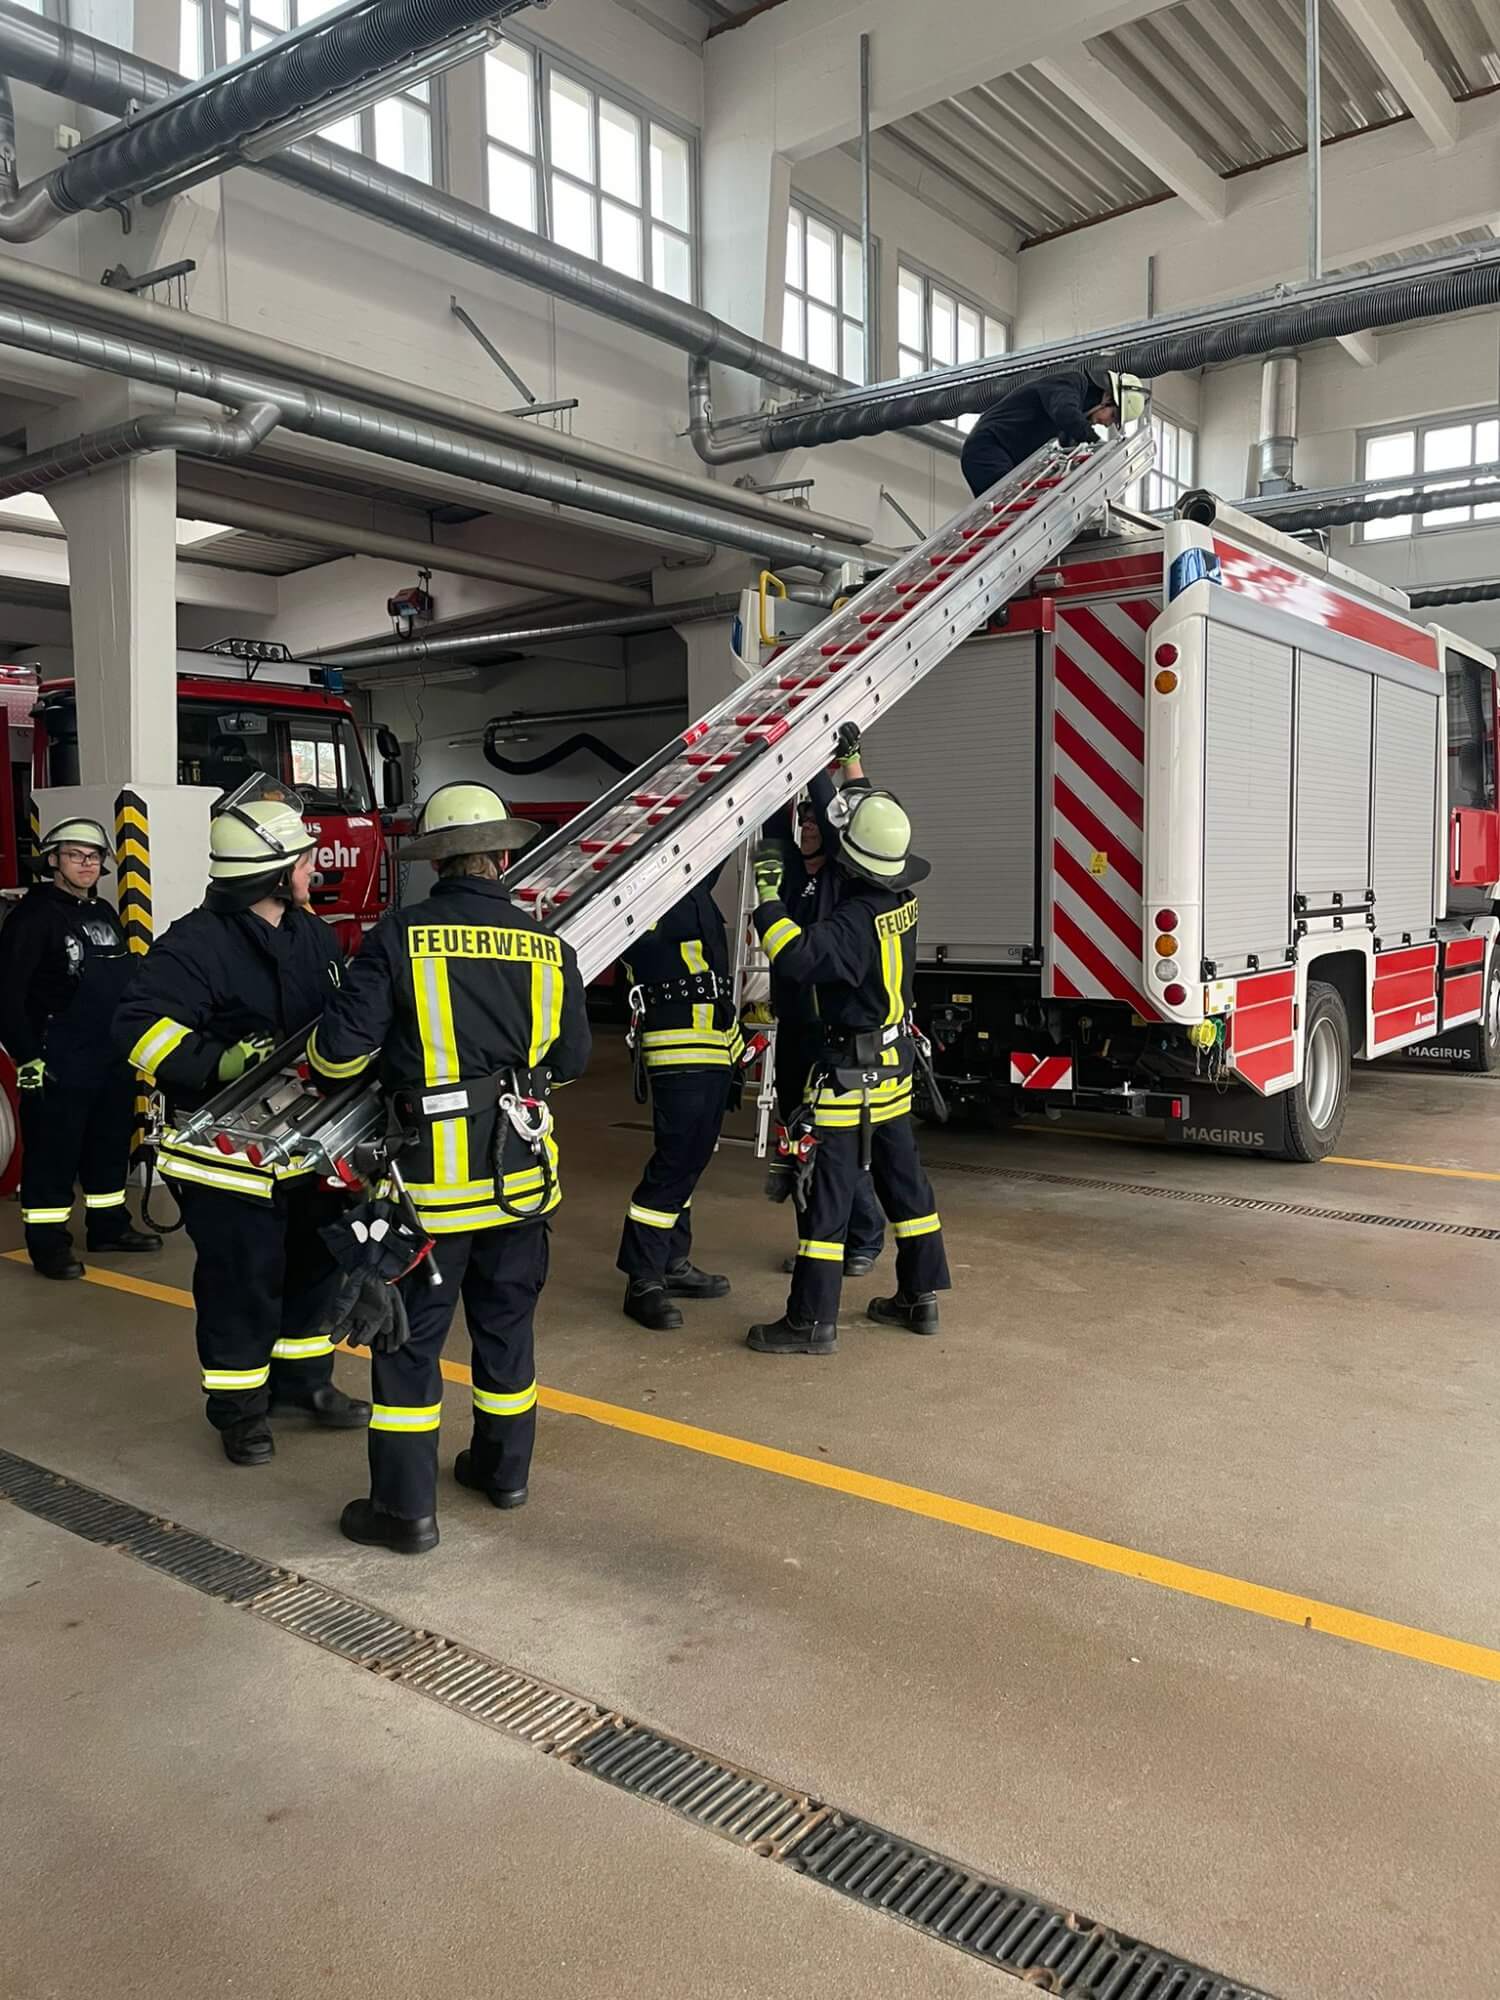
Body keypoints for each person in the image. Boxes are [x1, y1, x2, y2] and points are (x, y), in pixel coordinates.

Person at [305, 782, 591, 1556]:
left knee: (408, 1347)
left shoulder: (399, 937)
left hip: (426, 1195)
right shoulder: (550, 945)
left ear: (438, 862)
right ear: (502, 857)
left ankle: (405, 1513)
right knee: (506, 1333)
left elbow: (338, 1056)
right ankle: (503, 1474)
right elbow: (571, 1060)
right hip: (522, 1183)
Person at [113, 779, 370, 1465]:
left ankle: (304, 1383)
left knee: (317, 1266)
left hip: (309, 1147)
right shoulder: (194, 946)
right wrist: (217, 1061)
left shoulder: (312, 935)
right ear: (274, 873)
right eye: (306, 860)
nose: (316, 868)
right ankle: (239, 1409)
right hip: (226, 1158)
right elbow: (136, 1029)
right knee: (242, 1279)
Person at [746, 790, 950, 1356]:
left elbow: (796, 955)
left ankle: (811, 1322)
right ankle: (919, 1296)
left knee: (825, 1202)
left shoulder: (854, 922)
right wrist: (839, 774)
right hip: (893, 1070)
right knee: (907, 1190)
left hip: (847, 1078)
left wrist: (768, 899)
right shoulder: (901, 900)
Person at [0, 816, 161, 1279]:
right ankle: (48, 1244)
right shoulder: (33, 918)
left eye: (94, 857)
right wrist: (26, 1056)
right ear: (53, 861)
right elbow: (8, 994)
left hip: (109, 1054)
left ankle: (109, 1225)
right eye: (75, 855)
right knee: (54, 1154)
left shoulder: (104, 913)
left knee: (108, 1146)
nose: (87, 864)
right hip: (57, 1058)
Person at [763, 724, 886, 1279]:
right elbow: (770, 826)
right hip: (794, 1029)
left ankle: (863, 1238)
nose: (810, 828)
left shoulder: (840, 875)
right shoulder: (787, 872)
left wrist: (812, 758)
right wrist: (768, 769)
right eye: (804, 823)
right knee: (796, 1140)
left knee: (838, 1142)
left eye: (815, 823)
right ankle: (816, 1240)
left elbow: (837, 814)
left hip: (831, 1035)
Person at [616, 858, 743, 1331]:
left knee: (691, 1158)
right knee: (675, 1162)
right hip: (677, 1045)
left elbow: (717, 851)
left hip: (713, 1046)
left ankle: (672, 1260)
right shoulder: (649, 892)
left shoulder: (694, 892)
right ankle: (642, 1277)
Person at [960, 368, 1147, 499]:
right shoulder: (1071, 384)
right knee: (1011, 511)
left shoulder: (1072, 423)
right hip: (988, 448)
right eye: (1112, 415)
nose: (1107, 424)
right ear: (1106, 397)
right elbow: (1064, 412)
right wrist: (1096, 444)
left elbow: (1068, 447)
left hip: (1004, 457)